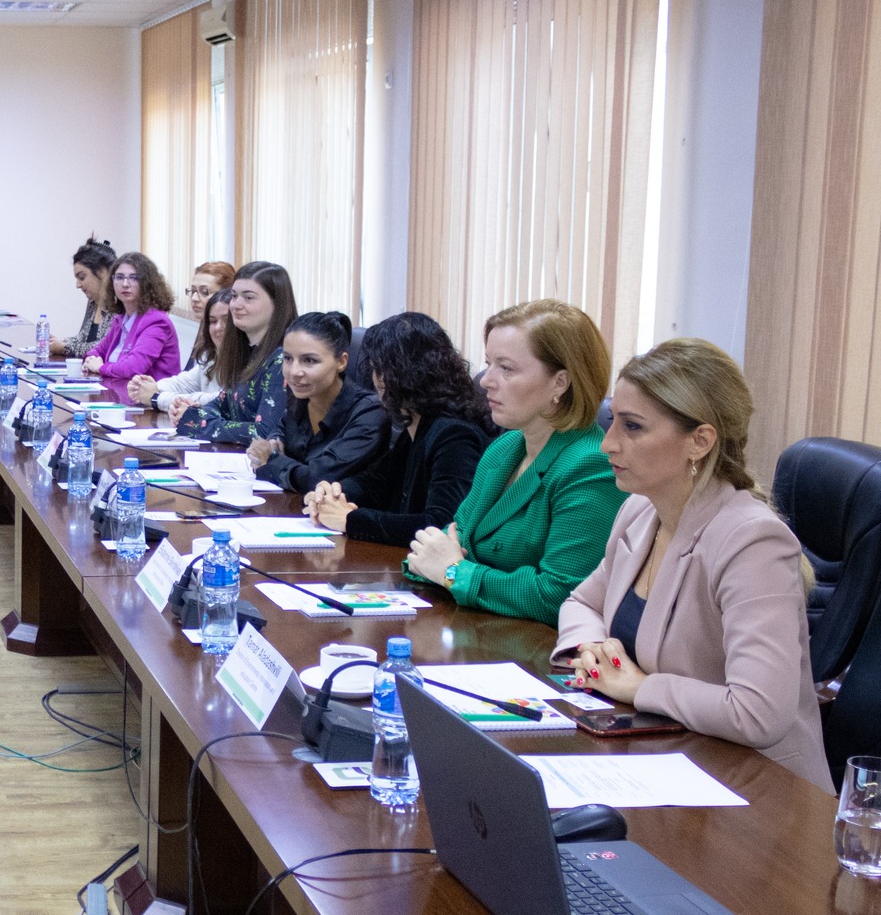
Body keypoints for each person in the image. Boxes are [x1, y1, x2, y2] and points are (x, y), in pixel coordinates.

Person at [555, 339, 831, 789]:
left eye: (632, 427)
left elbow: (759, 713)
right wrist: (594, 652)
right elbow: (581, 603)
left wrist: (638, 688)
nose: (607, 443)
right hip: (665, 758)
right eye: (612, 421)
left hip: (756, 789)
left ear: (699, 441)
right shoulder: (640, 511)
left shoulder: (752, 541)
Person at [405, 299, 626, 622]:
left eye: (506, 368)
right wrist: (439, 562)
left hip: (536, 647)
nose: (485, 380)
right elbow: (446, 541)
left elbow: (560, 595)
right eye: (488, 363)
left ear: (560, 383)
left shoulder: (589, 467)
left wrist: (454, 572)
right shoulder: (506, 447)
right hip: (476, 628)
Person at [304, 312, 490, 545]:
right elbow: (375, 482)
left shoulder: (454, 435)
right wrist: (333, 493)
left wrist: (350, 520)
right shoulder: (417, 424)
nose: (376, 379)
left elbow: (441, 524)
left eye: (379, 369)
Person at [247, 312, 387, 492]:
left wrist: (271, 460)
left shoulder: (369, 412)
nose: (294, 372)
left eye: (309, 360)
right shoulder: (301, 398)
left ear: (342, 362)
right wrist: (273, 443)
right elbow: (279, 432)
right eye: (288, 358)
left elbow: (317, 478)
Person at [176, 260, 297, 440]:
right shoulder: (248, 352)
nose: (236, 305)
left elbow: (263, 433)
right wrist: (193, 415)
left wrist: (198, 423)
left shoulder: (283, 359)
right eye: (234, 296)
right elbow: (220, 405)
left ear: (276, 303)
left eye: (248, 298)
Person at [80, 252, 180, 405]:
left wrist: (101, 368)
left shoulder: (157, 322)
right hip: (120, 397)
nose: (125, 284)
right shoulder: (121, 319)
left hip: (151, 406)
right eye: (119, 277)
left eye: (134, 278)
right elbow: (97, 351)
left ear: (147, 283)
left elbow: (133, 367)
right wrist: (91, 359)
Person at [130, 289, 231, 412]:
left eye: (227, 321)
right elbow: (183, 383)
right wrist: (148, 387)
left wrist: (156, 397)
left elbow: (217, 400)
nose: (218, 327)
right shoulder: (211, 356)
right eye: (213, 321)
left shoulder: (247, 361)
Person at [47, 238, 117, 358]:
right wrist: (58, 342)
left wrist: (65, 347)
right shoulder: (93, 301)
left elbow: (106, 348)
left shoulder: (119, 303)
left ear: (101, 272)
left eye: (82, 277)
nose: (78, 285)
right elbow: (82, 339)